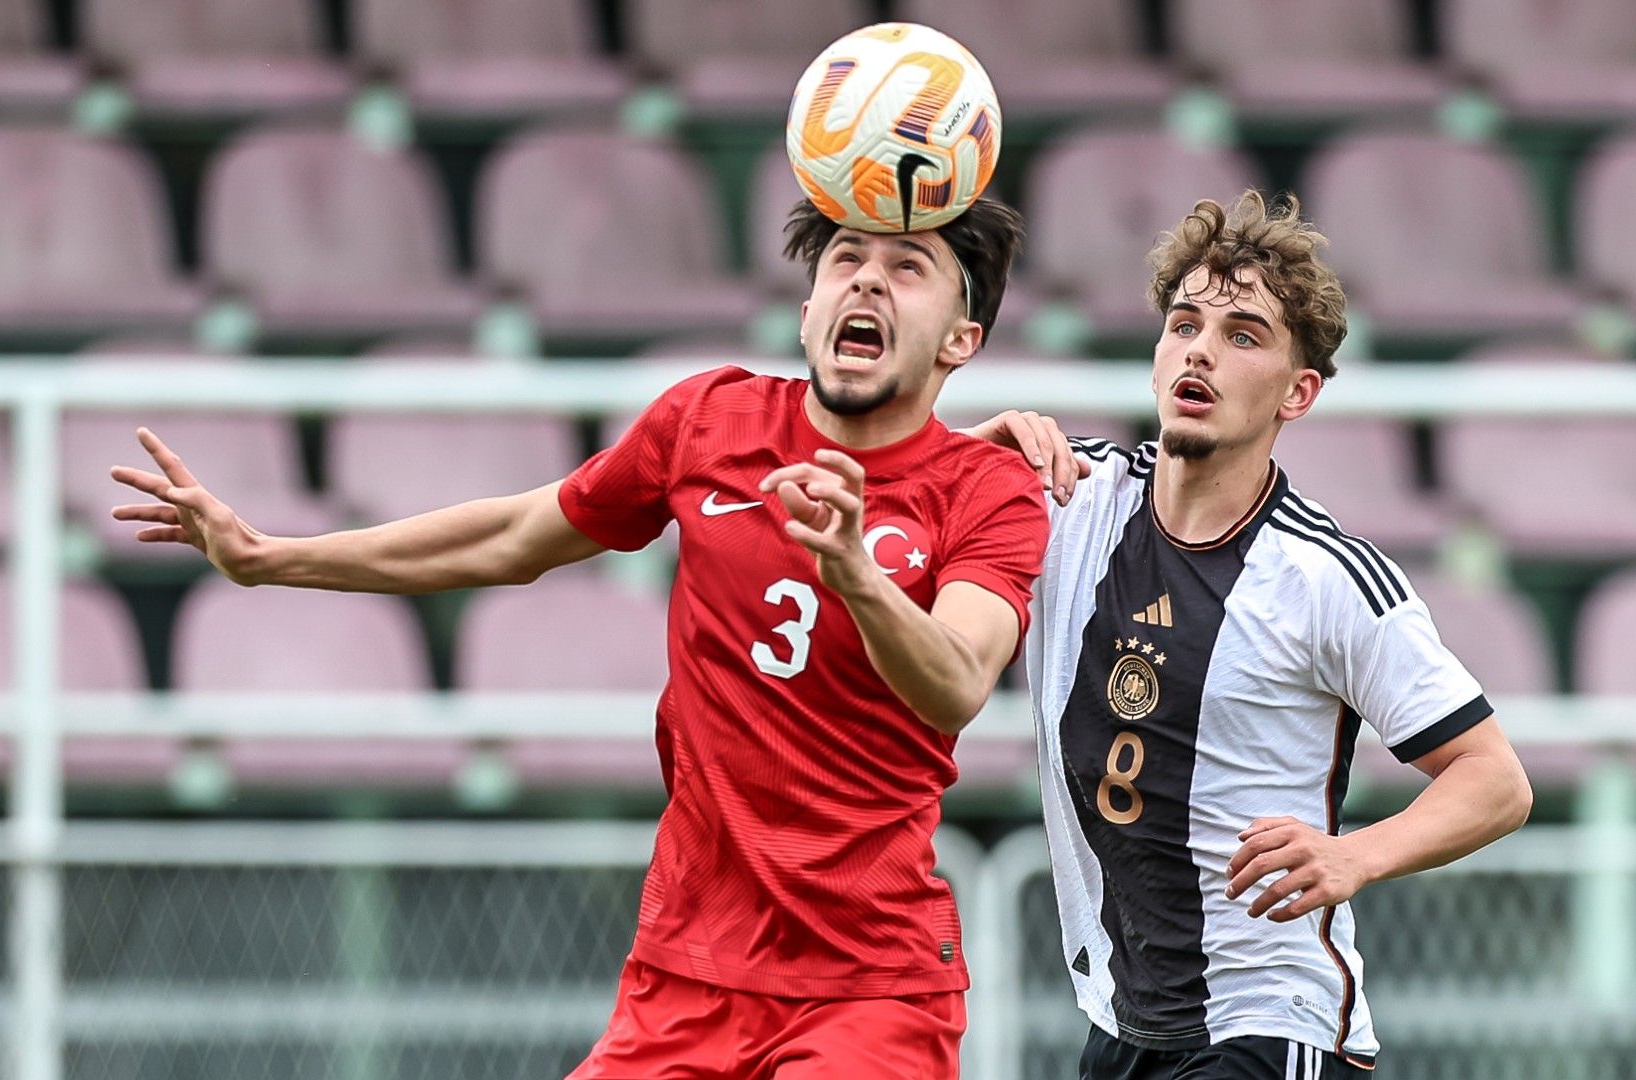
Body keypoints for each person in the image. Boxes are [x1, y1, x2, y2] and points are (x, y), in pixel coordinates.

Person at [110, 198, 1047, 1078]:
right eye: (847, 258)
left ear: (961, 341)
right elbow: (514, 535)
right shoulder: (709, 421)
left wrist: (854, 574)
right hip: (687, 971)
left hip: (871, 989)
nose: (868, 282)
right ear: (807, 309)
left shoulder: (985, 489)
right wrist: (271, 556)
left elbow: (957, 678)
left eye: (909, 266)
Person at [969, 191, 1532, 1078]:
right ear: (1157, 360)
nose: (1200, 347)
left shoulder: (1328, 578)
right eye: (1184, 323)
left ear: (1297, 393)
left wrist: (1355, 855)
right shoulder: (1067, 501)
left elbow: (1496, 780)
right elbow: (870, 541)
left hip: (1270, 1022)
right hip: (1121, 1019)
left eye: (1242, 335)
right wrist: (955, 460)